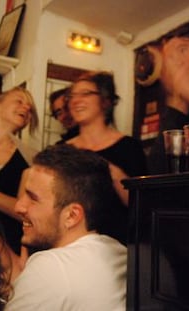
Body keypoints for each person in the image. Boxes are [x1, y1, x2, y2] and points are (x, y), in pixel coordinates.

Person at [5, 144, 127, 310]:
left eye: (33, 198)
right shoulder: (118, 251)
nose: (19, 206)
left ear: (72, 216)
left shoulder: (49, 267)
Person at [65, 71, 147, 244]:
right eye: (72, 95)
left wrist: (109, 169)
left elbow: (140, 205)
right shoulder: (62, 150)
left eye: (86, 93)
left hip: (117, 247)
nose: (75, 100)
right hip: (70, 246)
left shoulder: (129, 147)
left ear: (105, 100)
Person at [146, 25, 189, 174]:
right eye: (170, 59)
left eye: (183, 50)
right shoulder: (178, 110)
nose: (178, 62)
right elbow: (158, 173)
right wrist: (177, 100)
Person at [0, 87, 39, 255]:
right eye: (19, 101)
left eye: (30, 108)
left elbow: (24, 213)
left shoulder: (30, 158)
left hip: (6, 249)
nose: (26, 108)